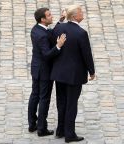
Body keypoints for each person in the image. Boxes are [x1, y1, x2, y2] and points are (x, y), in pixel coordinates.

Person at [51, 5, 95, 143]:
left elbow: (52, 35)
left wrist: (60, 20)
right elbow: (86, 54)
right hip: (74, 75)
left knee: (61, 102)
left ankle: (60, 130)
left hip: (60, 73)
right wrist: (92, 71)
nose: (83, 13)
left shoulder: (59, 28)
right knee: (71, 104)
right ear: (75, 16)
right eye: (81, 12)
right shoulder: (81, 33)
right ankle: (69, 134)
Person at [28, 8, 66, 137]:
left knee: (34, 96)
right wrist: (58, 46)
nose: (51, 16)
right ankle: (41, 128)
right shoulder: (42, 35)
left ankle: (32, 124)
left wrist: (60, 21)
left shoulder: (36, 29)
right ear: (43, 19)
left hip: (36, 68)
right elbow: (47, 55)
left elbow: (50, 33)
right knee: (44, 98)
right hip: (44, 71)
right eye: (49, 15)